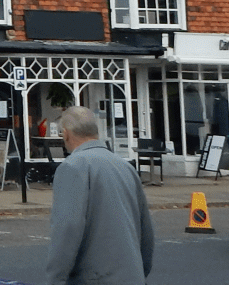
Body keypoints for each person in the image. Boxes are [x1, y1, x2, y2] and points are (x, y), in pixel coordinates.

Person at [45, 106, 153, 285]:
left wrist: (54, 280)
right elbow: (145, 229)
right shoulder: (125, 167)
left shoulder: (72, 167)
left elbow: (67, 230)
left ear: (65, 134)